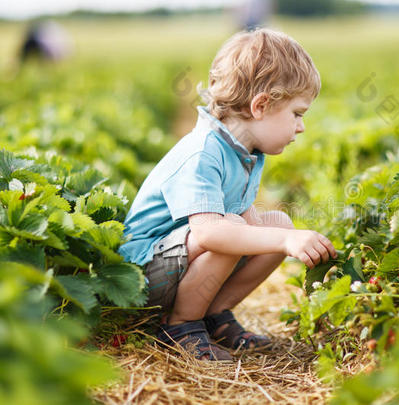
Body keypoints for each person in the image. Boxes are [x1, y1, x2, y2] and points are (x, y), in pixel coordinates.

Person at [119, 28, 337, 361]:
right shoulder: (204, 152)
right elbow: (210, 233)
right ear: (261, 106)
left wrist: (282, 236)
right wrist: (282, 243)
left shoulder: (247, 153)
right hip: (141, 275)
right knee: (231, 230)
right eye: (297, 114)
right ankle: (179, 327)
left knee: (277, 223)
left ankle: (213, 316)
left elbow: (247, 222)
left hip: (177, 262)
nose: (301, 127)